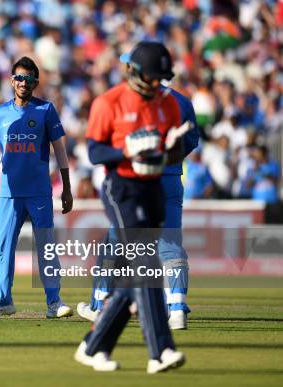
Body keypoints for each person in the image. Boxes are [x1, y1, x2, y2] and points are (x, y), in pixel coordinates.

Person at [74, 41, 186, 373]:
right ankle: (160, 350)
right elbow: (95, 153)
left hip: (154, 187)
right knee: (146, 263)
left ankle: (93, 346)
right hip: (121, 187)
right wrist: (128, 153)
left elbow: (173, 153)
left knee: (133, 276)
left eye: (161, 78)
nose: (158, 85)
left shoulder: (168, 105)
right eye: (153, 78)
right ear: (135, 73)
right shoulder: (109, 102)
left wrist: (172, 149)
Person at [76, 84, 199, 330]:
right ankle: (176, 309)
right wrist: (167, 160)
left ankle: (99, 305)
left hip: (136, 181)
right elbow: (191, 141)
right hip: (171, 178)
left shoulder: (126, 99)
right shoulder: (181, 101)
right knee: (170, 242)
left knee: (116, 243)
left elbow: (105, 146)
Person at [0, 56, 74, 318]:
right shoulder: (0, 113)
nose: (23, 83)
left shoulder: (45, 110)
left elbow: (60, 150)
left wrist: (67, 188)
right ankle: (3, 299)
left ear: (36, 82)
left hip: (39, 191)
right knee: (3, 248)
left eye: (29, 79)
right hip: (9, 193)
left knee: (46, 246)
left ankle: (54, 302)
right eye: (19, 78)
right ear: (12, 81)